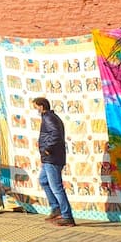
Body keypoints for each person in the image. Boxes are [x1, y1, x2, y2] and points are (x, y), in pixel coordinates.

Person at [33, 97, 74, 226]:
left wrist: (47, 149)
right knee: (43, 181)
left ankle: (67, 216)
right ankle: (55, 207)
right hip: (48, 159)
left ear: (41, 106)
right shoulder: (49, 117)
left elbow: (56, 134)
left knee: (56, 187)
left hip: (52, 158)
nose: (35, 110)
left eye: (35, 107)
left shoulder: (49, 118)